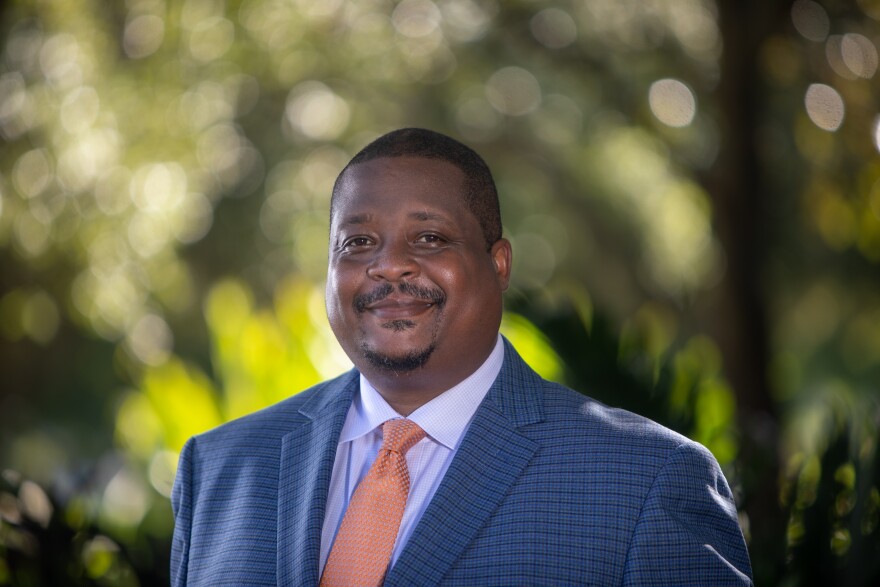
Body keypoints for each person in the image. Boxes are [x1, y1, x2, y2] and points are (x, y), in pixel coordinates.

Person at [170, 128, 753, 586]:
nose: (389, 265)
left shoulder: (647, 482)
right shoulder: (219, 468)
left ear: (498, 264)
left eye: (429, 238)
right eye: (358, 242)